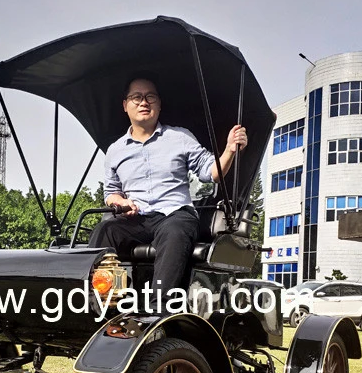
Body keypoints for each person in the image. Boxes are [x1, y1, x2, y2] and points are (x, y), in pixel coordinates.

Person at [88, 75, 248, 309]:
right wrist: (122, 202)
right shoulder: (115, 150)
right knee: (105, 230)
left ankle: (158, 310)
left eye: (150, 96)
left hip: (175, 214)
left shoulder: (179, 137)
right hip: (137, 218)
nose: (144, 102)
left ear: (159, 104)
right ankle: (102, 300)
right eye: (136, 97)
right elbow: (111, 193)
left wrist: (229, 150)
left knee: (174, 231)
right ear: (125, 105)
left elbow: (210, 172)